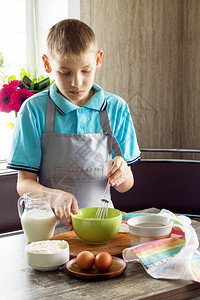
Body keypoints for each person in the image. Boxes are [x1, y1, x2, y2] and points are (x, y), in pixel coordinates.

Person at [7, 19, 140, 230]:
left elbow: (126, 185)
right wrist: (52, 196)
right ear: (47, 63)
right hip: (49, 229)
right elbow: (24, 184)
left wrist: (123, 173)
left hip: (103, 227)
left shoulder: (117, 108)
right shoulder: (33, 110)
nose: (76, 82)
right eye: (65, 72)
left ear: (98, 60)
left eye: (85, 70)